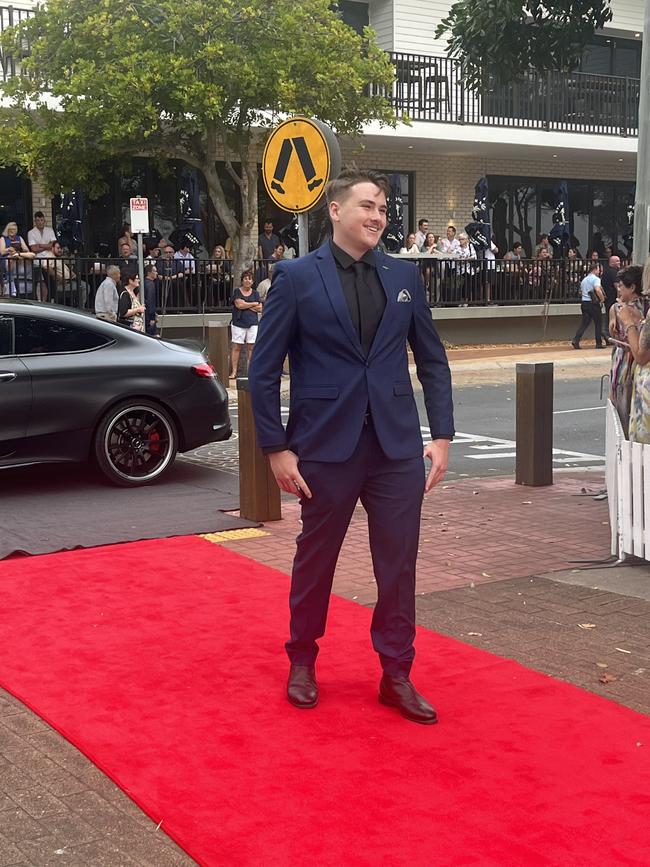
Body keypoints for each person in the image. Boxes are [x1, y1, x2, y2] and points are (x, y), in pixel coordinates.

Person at [249, 167, 454, 724]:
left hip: (394, 451)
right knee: (316, 560)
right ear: (335, 210)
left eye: (384, 209)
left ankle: (396, 672)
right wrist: (276, 449)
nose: (377, 217)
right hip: (323, 449)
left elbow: (431, 360)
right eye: (367, 205)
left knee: (398, 566)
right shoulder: (295, 277)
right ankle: (302, 660)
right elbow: (263, 372)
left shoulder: (404, 274)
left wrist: (440, 436)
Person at [608, 265, 645, 435]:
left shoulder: (642, 307)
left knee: (627, 404)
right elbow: (612, 331)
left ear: (632, 287)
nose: (618, 288)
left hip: (633, 358)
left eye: (622, 285)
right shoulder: (616, 308)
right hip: (622, 358)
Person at [230, 269, 261, 379]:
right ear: (242, 280)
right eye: (246, 278)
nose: (248, 281)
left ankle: (251, 371)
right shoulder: (237, 292)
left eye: (250, 279)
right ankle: (234, 372)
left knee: (251, 347)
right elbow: (239, 305)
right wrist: (253, 304)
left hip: (252, 323)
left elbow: (260, 308)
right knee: (236, 347)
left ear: (253, 281)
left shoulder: (256, 293)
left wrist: (246, 304)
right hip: (239, 323)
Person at [572, 261, 605, 349]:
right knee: (598, 323)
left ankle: (576, 339)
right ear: (595, 269)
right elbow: (597, 289)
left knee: (584, 323)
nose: (599, 271)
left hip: (584, 302)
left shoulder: (584, 280)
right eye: (598, 269)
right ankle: (598, 343)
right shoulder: (596, 279)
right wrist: (602, 299)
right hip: (593, 303)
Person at [1, 222, 35, 296]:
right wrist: (9, 249)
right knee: (12, 258)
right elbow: (2, 252)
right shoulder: (3, 238)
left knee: (29, 256)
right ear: (8, 229)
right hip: (7, 258)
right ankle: (10, 285)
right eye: (12, 229)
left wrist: (20, 250)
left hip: (18, 256)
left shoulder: (19, 238)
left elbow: (26, 249)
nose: (14, 231)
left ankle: (28, 285)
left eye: (15, 229)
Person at [143, 263, 160, 336]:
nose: (157, 273)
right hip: (149, 315)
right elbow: (150, 301)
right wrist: (152, 317)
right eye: (155, 271)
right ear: (149, 273)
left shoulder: (145, 282)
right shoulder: (150, 284)